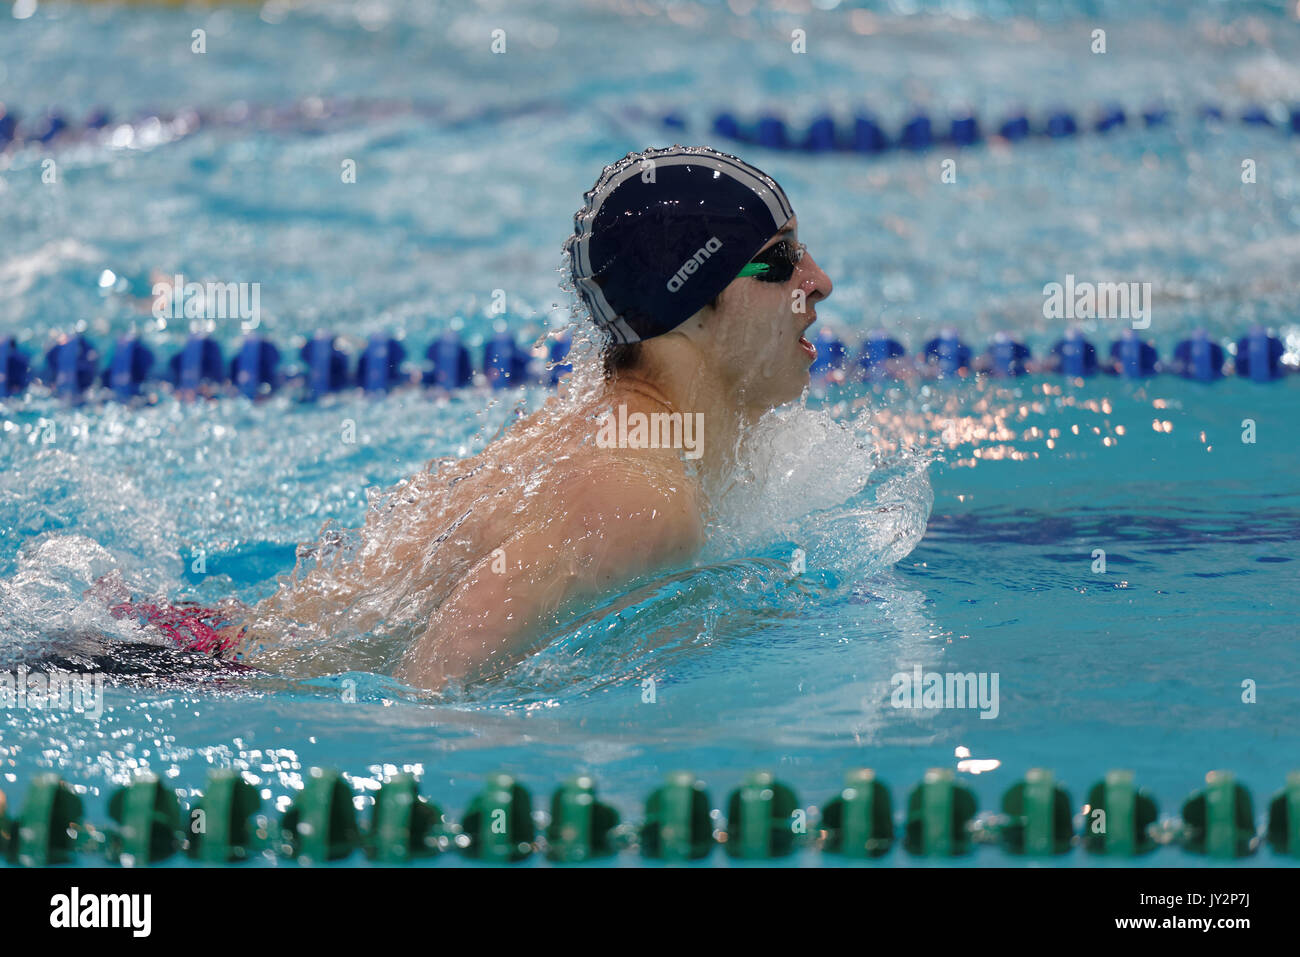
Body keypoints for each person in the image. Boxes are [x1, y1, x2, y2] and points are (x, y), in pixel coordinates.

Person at [100, 145, 833, 692]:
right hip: (184, 676)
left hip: (188, 642)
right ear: (689, 304)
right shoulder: (640, 496)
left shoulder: (626, 435)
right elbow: (428, 699)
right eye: (780, 263)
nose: (819, 282)